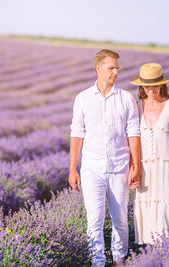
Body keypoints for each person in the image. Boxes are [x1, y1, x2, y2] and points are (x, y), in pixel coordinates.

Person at [68, 49, 141, 266]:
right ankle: (97, 263)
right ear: (98, 69)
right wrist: (72, 168)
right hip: (91, 167)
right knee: (94, 222)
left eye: (117, 67)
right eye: (111, 68)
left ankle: (119, 261)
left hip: (120, 167)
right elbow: (76, 133)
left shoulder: (126, 98)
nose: (115, 72)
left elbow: (133, 134)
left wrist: (136, 165)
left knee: (120, 221)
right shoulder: (82, 99)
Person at [129, 63, 169, 245]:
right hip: (145, 169)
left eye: (154, 85)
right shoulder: (137, 105)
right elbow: (133, 139)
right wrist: (133, 168)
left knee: (165, 213)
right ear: (142, 87)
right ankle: (152, 257)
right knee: (147, 215)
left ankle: (167, 254)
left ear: (162, 84)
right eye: (147, 86)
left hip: (167, 168)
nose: (150, 89)